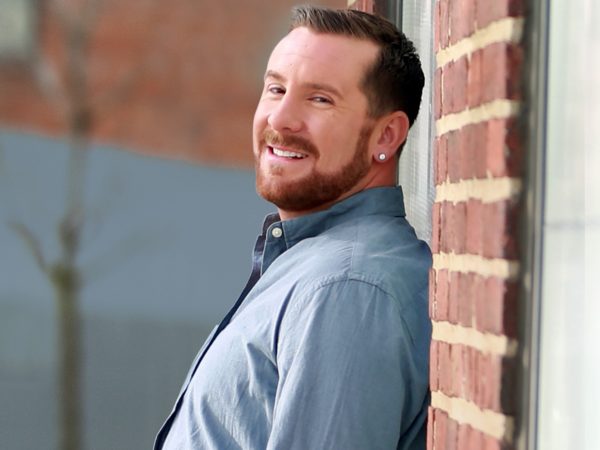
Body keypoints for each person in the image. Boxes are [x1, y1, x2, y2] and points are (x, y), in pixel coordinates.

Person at [155, 6, 431, 450]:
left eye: (320, 99)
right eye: (276, 89)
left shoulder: (347, 288)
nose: (280, 119)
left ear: (386, 136)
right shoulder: (310, 264)